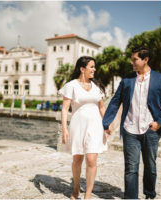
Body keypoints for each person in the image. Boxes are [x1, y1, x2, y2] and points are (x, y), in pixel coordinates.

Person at [103, 46, 161, 199]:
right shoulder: (127, 80)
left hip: (151, 130)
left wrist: (160, 122)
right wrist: (107, 122)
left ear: (145, 60)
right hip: (130, 129)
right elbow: (116, 101)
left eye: (135, 59)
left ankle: (149, 194)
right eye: (132, 60)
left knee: (150, 166)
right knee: (131, 168)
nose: (132, 63)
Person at [59, 56, 108, 199]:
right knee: (77, 159)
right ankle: (76, 186)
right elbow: (64, 109)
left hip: (95, 126)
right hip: (78, 126)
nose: (94, 69)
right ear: (82, 69)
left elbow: (102, 107)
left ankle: (88, 194)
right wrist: (64, 129)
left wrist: (107, 124)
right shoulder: (71, 85)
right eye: (91, 66)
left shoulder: (97, 87)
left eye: (94, 66)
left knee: (92, 159)